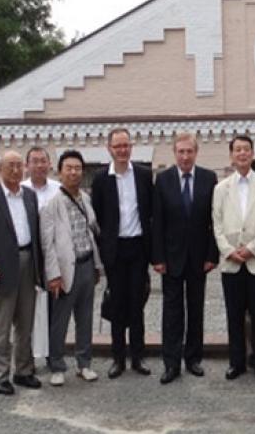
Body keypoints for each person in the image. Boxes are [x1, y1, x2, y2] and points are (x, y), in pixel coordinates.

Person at [0, 151, 44, 395]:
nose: (15, 170)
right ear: (0, 169)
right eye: (9, 166)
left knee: (25, 323)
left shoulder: (30, 196)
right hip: (0, 268)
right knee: (0, 325)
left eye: (18, 165)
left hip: (28, 262)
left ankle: (23, 370)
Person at [152, 132, 218, 384]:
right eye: (180, 151)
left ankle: (193, 359)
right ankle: (171, 363)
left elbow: (215, 220)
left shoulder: (209, 178)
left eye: (189, 151)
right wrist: (157, 257)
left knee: (196, 309)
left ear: (196, 153)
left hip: (200, 258)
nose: (185, 156)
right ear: (174, 153)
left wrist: (212, 255)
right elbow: (157, 221)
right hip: (170, 258)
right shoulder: (164, 180)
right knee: (171, 312)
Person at [213, 135, 255, 381]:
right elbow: (216, 224)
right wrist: (229, 251)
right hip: (230, 263)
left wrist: (251, 249)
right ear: (231, 155)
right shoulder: (221, 189)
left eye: (246, 150)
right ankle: (236, 362)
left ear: (253, 154)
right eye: (237, 150)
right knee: (234, 314)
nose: (242, 154)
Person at [91, 127, 153, 379]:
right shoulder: (100, 179)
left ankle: (138, 357)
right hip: (115, 250)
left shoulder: (143, 174)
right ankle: (118, 358)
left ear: (131, 147)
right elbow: (98, 216)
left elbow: (150, 212)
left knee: (137, 304)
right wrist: (104, 251)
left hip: (138, 247)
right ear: (109, 149)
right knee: (117, 304)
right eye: (117, 146)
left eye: (126, 145)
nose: (122, 150)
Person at [40, 150, 103, 386]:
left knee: (85, 318)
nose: (74, 172)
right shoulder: (51, 204)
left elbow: (91, 231)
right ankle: (57, 365)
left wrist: (97, 265)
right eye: (69, 168)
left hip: (87, 264)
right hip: (65, 270)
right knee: (60, 320)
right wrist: (53, 275)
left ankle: (84, 364)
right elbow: (47, 244)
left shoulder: (85, 199)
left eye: (78, 168)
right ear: (59, 171)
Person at [21, 146, 60, 364]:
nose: (39, 165)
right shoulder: (20, 190)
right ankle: (28, 359)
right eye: (34, 161)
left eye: (43, 161)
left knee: (55, 309)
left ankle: (53, 356)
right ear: (27, 166)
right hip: (28, 256)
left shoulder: (58, 189)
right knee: (28, 309)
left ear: (49, 165)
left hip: (53, 256)